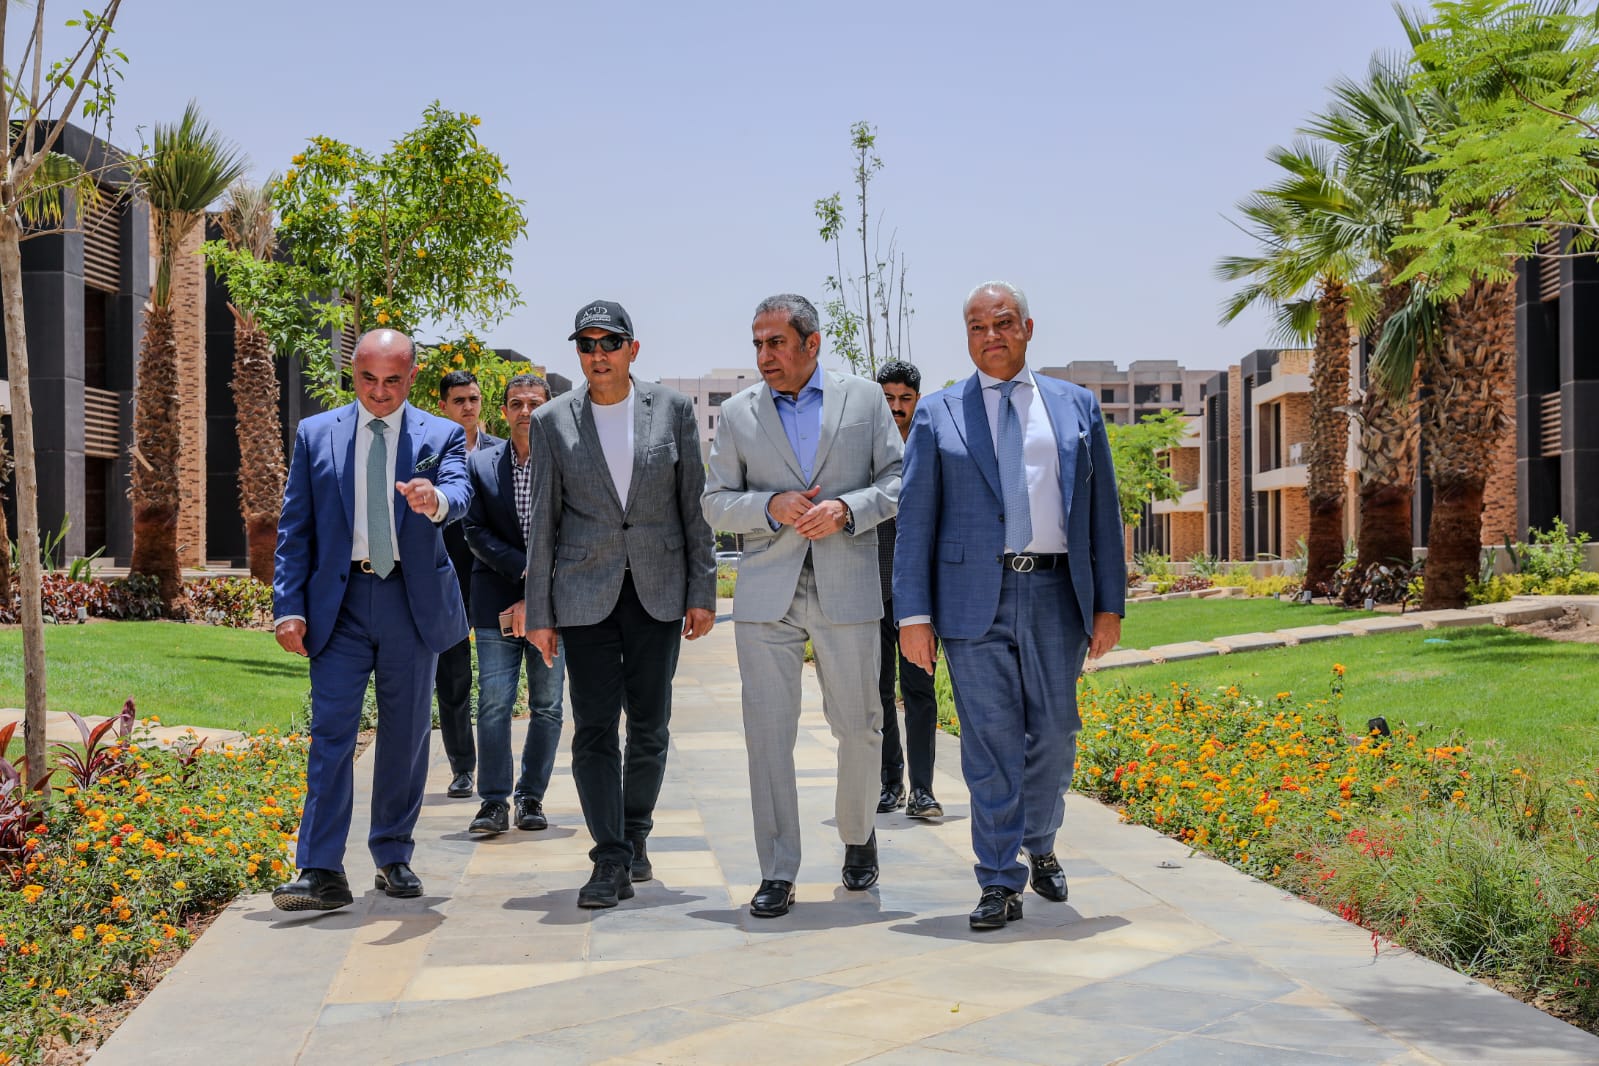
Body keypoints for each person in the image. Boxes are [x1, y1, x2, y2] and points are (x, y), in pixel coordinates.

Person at [895, 281, 1125, 930]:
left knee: (1054, 735)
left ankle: (1039, 841)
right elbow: (915, 523)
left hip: (1056, 595)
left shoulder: (1075, 406)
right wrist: (913, 616)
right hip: (971, 603)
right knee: (990, 744)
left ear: (1027, 327)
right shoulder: (937, 414)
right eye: (976, 327)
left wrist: (1109, 604)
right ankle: (998, 878)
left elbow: (1102, 512)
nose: (989, 336)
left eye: (1002, 323)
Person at [703, 293, 902, 919]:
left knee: (860, 724)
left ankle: (858, 835)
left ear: (811, 344)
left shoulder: (864, 399)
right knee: (768, 735)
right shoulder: (738, 413)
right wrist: (769, 506)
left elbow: (898, 479)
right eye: (757, 344)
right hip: (767, 593)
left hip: (848, 585)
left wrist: (847, 509)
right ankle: (777, 868)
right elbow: (714, 501)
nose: (764, 355)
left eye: (776, 342)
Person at [270, 328, 472, 911]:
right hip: (339, 605)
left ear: (412, 377)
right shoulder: (316, 434)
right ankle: (320, 870)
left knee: (405, 734)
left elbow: (459, 491)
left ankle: (392, 854)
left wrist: (435, 501)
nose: (379, 392)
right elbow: (295, 529)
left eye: (392, 380)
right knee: (331, 733)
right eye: (367, 379)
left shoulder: (440, 434)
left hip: (410, 601)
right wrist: (289, 607)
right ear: (352, 373)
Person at [524, 300, 716, 909]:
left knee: (651, 727)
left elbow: (695, 507)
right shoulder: (552, 420)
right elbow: (543, 525)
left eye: (609, 342)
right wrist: (539, 612)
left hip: (658, 591)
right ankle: (608, 857)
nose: (597, 354)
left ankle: (635, 835)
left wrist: (702, 591)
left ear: (633, 349)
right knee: (594, 728)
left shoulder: (674, 410)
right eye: (586, 344)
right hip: (585, 595)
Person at [462, 373, 565, 836]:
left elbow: (576, 532)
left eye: (534, 404)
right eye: (517, 404)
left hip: (555, 605)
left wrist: (540, 589)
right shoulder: (480, 465)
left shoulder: (567, 461)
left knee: (548, 705)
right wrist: (527, 574)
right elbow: (474, 531)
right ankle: (493, 802)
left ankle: (531, 797)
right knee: (493, 704)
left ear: (548, 410)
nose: (526, 411)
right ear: (503, 412)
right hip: (495, 602)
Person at [872, 361, 941, 820]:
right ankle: (889, 783)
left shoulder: (932, 442)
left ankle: (923, 791)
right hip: (872, 588)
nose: (897, 407)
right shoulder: (861, 446)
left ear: (917, 399)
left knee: (919, 690)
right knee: (878, 692)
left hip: (918, 595)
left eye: (905, 399)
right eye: (888, 399)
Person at [435, 369, 499, 800]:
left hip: (494, 577)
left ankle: (498, 770)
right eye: (458, 400)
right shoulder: (431, 452)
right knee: (453, 678)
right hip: (448, 581)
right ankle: (462, 769)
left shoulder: (501, 451)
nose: (468, 407)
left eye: (473, 399)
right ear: (443, 406)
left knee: (497, 684)